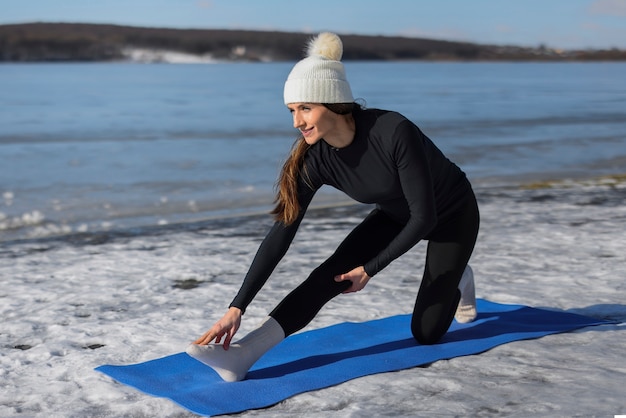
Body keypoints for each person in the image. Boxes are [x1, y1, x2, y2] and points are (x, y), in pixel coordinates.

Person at [186, 32, 480, 382]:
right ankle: (245, 353)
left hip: (451, 215)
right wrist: (237, 306)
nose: (297, 121)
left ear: (333, 102)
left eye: (305, 108)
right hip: (395, 217)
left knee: (427, 334)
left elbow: (425, 216)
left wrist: (369, 269)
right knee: (328, 275)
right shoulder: (316, 161)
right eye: (292, 111)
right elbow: (281, 234)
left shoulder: (393, 131)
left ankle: (459, 274)